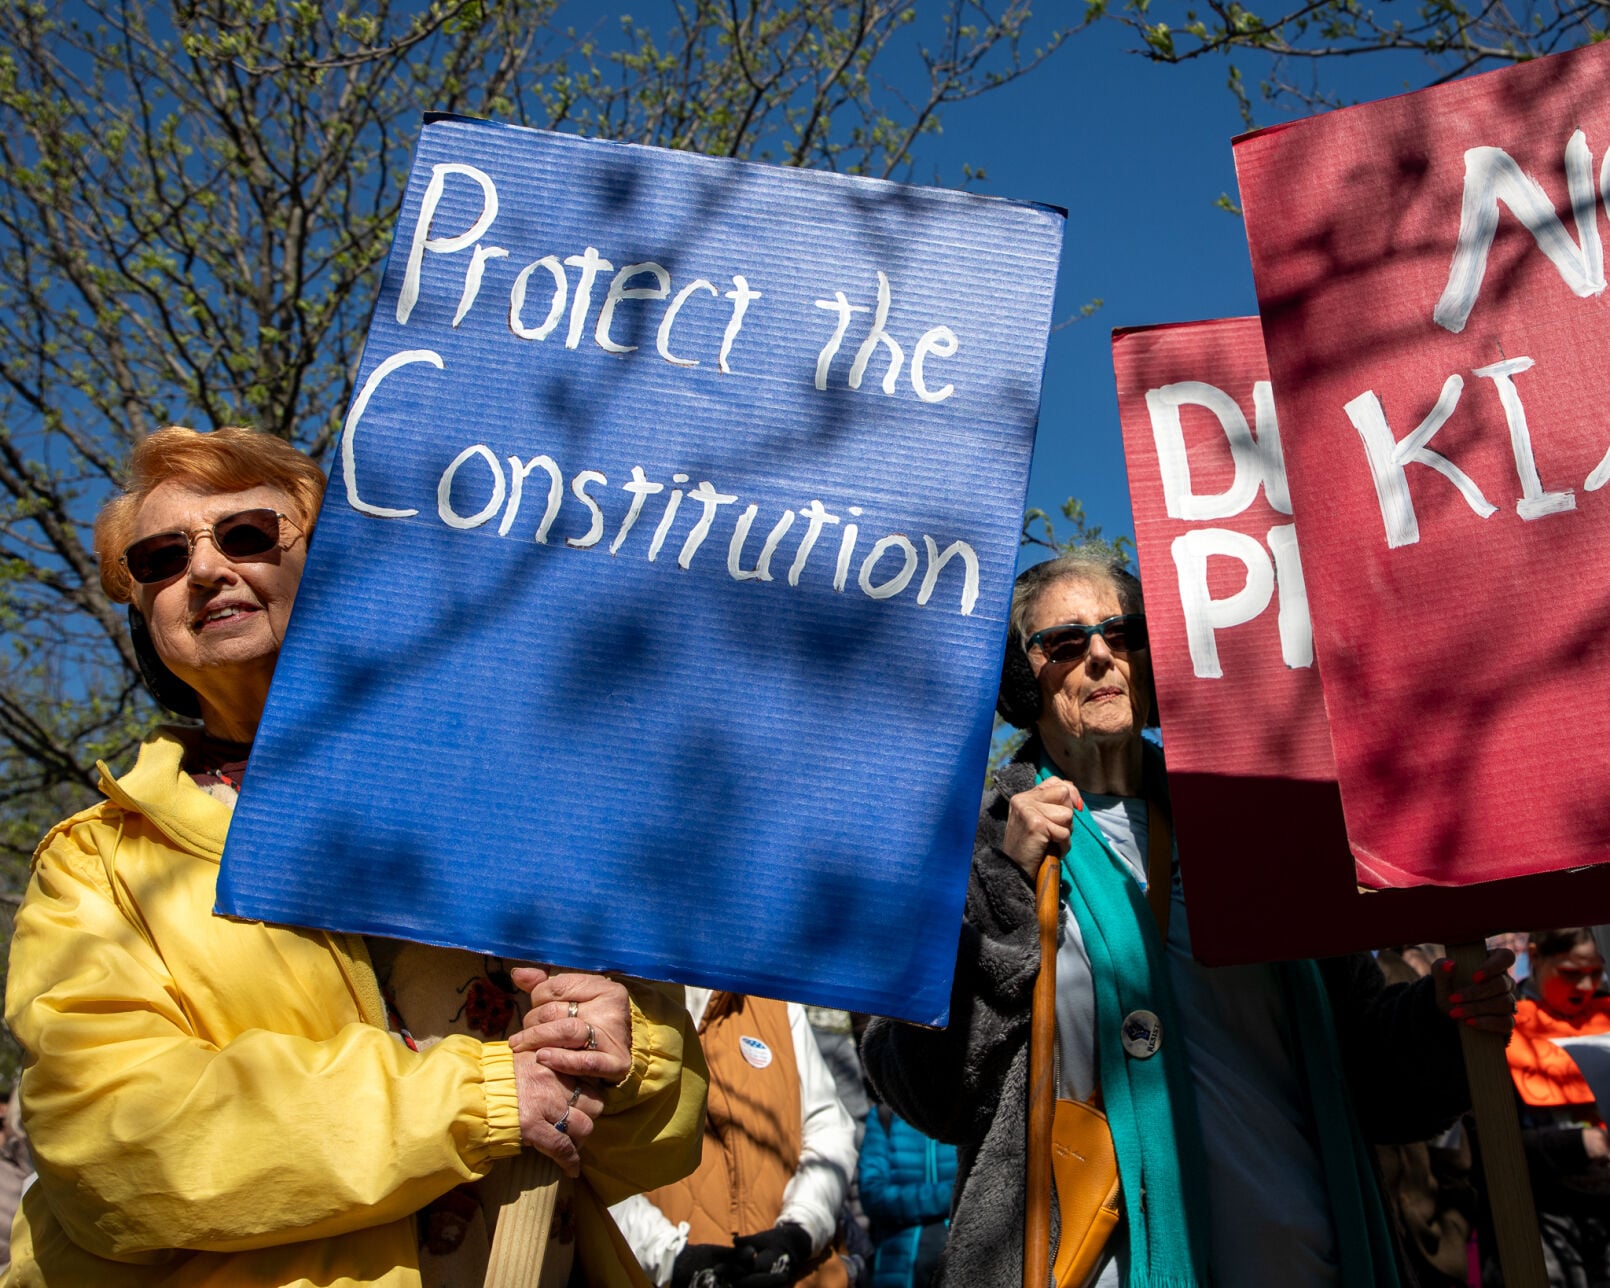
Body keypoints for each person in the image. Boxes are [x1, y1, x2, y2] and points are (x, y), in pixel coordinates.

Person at [5, 425, 707, 1286]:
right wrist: (480, 1098)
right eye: (159, 558)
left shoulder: (506, 803)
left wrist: (620, 1057)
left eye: (248, 536)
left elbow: (659, 1146)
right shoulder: (101, 864)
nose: (206, 570)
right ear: (147, 615)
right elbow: (112, 1142)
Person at [859, 549, 1517, 1288]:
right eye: (1066, 644)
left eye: (1124, 632)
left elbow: (1368, 1063)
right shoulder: (975, 848)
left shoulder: (1250, 826)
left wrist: (1437, 1017)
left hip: (1308, 1260)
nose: (1102, 655)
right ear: (1022, 682)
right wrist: (1008, 887)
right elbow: (919, 1084)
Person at [610, 990, 859, 1287]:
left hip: (800, 1274)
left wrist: (799, 1231)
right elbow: (591, 1161)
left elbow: (828, 1126)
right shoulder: (617, 998)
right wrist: (673, 1259)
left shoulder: (773, 1000)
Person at [1505, 928, 1610, 1288]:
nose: (1585, 986)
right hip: (1548, 1216)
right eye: (1570, 973)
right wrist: (1580, 1145)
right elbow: (1496, 1144)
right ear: (1534, 957)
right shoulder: (1503, 1027)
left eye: (1595, 972)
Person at [857, 1101, 956, 1288]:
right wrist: (950, 1195)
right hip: (896, 1271)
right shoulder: (884, 1115)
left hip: (962, 1262)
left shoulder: (969, 1114)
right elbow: (873, 1196)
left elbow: (985, 1186)